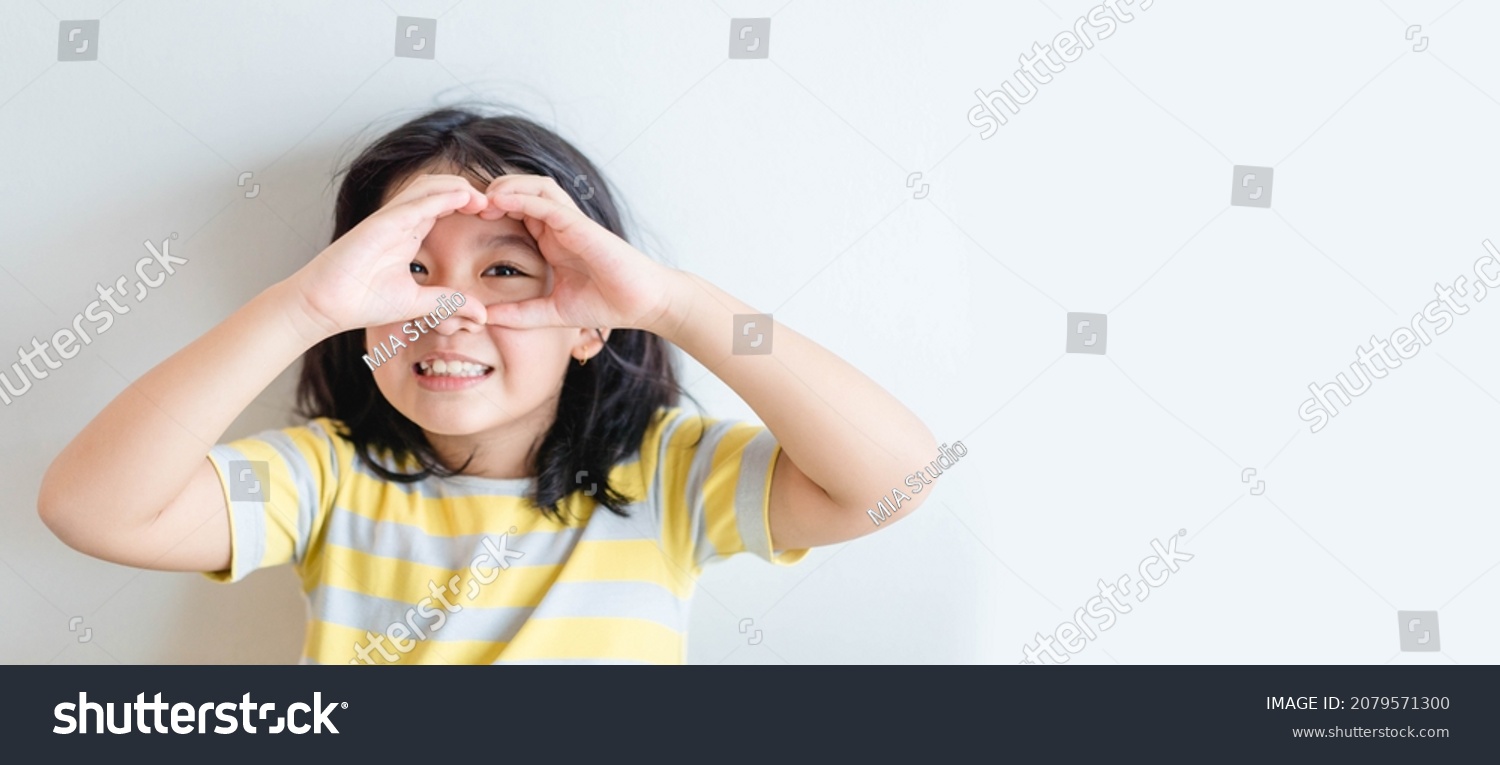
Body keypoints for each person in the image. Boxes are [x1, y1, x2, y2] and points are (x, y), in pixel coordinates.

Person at [38, 105, 938, 664]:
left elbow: (895, 478)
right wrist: (301, 308)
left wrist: (670, 302)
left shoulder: (669, 477)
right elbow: (91, 508)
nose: (450, 312)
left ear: (591, 323)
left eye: (506, 271)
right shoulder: (327, 479)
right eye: (411, 271)